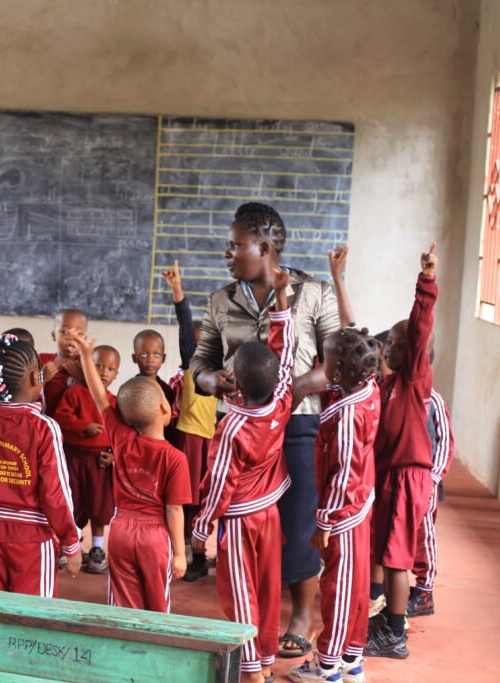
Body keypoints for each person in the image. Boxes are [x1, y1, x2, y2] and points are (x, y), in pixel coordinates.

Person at [191, 203, 339, 658]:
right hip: (238, 425)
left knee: (297, 520)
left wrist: (290, 391)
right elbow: (200, 361)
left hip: (296, 423)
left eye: (236, 245)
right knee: (244, 522)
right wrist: (211, 380)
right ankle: (250, 617)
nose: (227, 253)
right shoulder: (221, 300)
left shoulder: (313, 292)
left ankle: (301, 615)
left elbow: (337, 362)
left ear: (266, 247)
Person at [192, 268, 295, 683]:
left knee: (240, 592)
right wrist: (282, 300)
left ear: (234, 382)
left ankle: (251, 672)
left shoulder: (232, 426)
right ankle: (265, 658)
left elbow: (219, 483)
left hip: (238, 522)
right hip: (270, 514)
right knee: (269, 587)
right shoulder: (281, 402)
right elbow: (285, 352)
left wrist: (202, 527)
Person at [287, 248, 380, 683]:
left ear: (338, 371)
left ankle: (326, 667)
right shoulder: (367, 384)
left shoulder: (345, 415)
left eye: (325, 362)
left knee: (338, 588)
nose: (320, 367)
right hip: (360, 507)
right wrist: (338, 279)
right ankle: (352, 659)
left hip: (343, 514)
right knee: (355, 586)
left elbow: (343, 472)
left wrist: (324, 521)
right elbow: (352, 336)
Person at [71, 333, 190, 612]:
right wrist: (180, 554)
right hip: (155, 535)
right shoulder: (175, 458)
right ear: (165, 408)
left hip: (121, 530)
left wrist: (87, 357)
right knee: (157, 605)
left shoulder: (121, 439)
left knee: (122, 606)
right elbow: (174, 510)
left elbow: (100, 398)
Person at [0, 333, 82, 596]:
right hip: (32, 539)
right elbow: (55, 492)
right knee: (32, 615)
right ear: (33, 378)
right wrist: (71, 542)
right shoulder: (44, 427)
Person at [365, 244, 439, 659]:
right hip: (392, 476)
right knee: (384, 551)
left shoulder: (413, 381)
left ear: (411, 352)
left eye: (394, 344)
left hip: (410, 476)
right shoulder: (388, 386)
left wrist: (425, 283)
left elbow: (420, 329)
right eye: (387, 344)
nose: (387, 350)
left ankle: (394, 634)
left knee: (396, 559)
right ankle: (388, 620)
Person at [161, 261, 219, 582]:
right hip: (189, 442)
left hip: (209, 442)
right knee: (185, 500)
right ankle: (184, 550)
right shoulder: (192, 371)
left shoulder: (218, 375)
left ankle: (199, 554)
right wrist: (178, 293)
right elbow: (186, 330)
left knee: (202, 502)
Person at [54, 345, 120, 574]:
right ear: (87, 367)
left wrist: (114, 455)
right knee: (73, 503)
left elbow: (121, 434)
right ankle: (69, 546)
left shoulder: (115, 401)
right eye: (98, 366)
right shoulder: (75, 393)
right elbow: (61, 416)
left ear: (116, 374)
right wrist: (83, 426)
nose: (103, 372)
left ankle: (97, 549)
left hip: (100, 462)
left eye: (110, 369)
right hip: (74, 457)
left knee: (99, 506)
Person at [409, 388, 454, 618]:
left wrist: (433, 478)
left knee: (423, 532)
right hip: (398, 477)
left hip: (425, 479)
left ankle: (424, 591)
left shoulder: (433, 399)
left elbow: (445, 442)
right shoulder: (395, 391)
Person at [38, 309, 88, 417]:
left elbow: (99, 397)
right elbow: (27, 395)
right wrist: (43, 378)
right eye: (65, 332)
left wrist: (83, 379)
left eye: (79, 334)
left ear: (85, 339)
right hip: (47, 422)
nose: (71, 338)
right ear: (54, 335)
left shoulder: (88, 365)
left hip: (77, 424)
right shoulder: (43, 360)